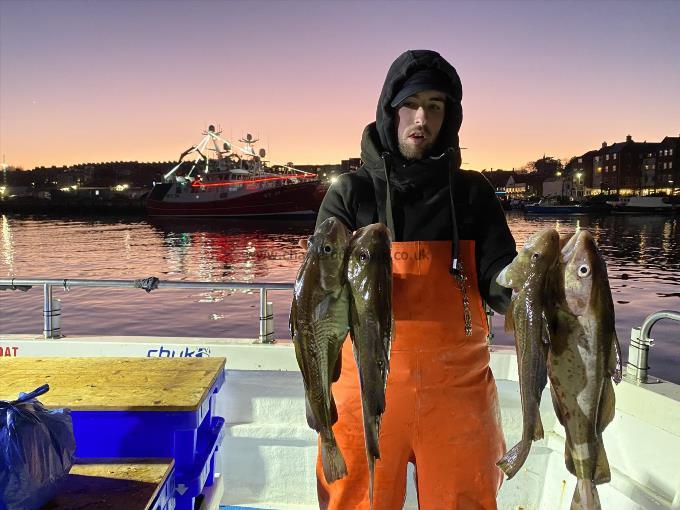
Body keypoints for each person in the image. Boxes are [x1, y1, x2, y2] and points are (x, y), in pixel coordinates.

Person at [313, 49, 517, 509]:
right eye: (411, 103)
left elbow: (498, 279)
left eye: (436, 106)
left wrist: (523, 283)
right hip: (361, 389)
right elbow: (320, 293)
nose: (422, 117)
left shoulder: (472, 194)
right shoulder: (351, 193)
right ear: (391, 109)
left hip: (459, 395)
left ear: (450, 117)